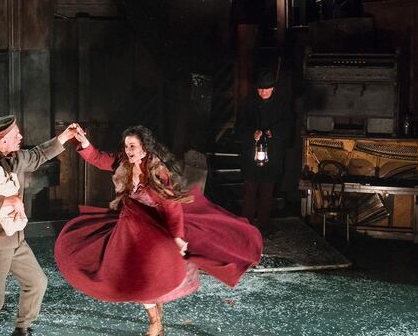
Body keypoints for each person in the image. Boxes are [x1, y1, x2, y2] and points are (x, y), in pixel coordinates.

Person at [54, 125, 263, 336]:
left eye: (133, 146)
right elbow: (99, 158)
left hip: (153, 229)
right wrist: (84, 142)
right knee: (129, 274)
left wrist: (178, 237)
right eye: (126, 146)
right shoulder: (124, 162)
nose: (128, 150)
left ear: (144, 147)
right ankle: (156, 321)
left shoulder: (158, 171)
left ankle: (155, 324)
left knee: (149, 276)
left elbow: (170, 207)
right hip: (129, 228)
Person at [0, 115, 78, 336]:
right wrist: (8, 200)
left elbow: (38, 154)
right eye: (16, 134)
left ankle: (22, 329)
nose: (21, 137)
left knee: (37, 283)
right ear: (2, 139)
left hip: (15, 238)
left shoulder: (14, 156)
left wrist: (65, 137)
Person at [235, 70, 292, 234]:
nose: (263, 92)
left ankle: (263, 225)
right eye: (260, 89)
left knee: (267, 191)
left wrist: (273, 132)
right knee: (250, 190)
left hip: (272, 154)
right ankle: (246, 224)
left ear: (272, 88)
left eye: (266, 89)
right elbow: (239, 127)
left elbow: (288, 126)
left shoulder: (282, 104)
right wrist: (252, 134)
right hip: (251, 154)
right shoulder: (248, 103)